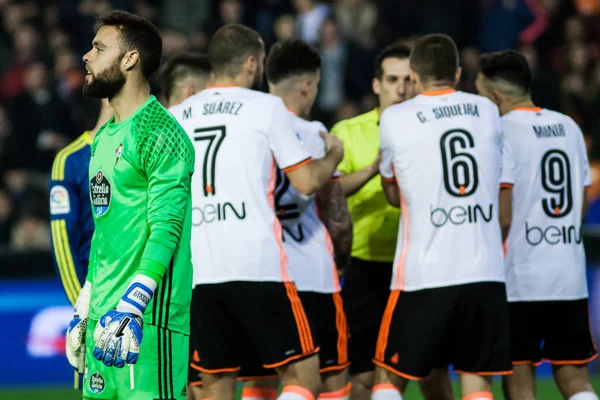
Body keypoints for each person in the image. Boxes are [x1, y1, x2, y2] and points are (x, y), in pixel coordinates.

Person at [169, 24, 344, 400]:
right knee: (303, 375)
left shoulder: (178, 115)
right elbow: (306, 182)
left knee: (216, 384)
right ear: (251, 63)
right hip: (257, 265)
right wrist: (333, 155)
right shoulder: (266, 107)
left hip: (199, 271)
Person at [371, 34, 512, 400]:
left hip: (424, 274)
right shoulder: (487, 111)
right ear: (459, 72)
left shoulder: (395, 118)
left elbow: (392, 191)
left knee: (389, 378)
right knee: (477, 381)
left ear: (414, 76)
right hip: (485, 272)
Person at [64, 10, 195, 400]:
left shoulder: (162, 132)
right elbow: (104, 235)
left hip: (147, 324)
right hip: (105, 323)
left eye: (99, 48)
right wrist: (85, 307)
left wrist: (133, 304)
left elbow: (166, 227)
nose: (87, 56)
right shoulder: (103, 138)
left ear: (130, 59)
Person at [330, 43, 452, 400]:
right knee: (364, 376)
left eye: (409, 80)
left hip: (421, 263)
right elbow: (330, 190)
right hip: (365, 266)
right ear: (375, 84)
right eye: (392, 79)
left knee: (432, 374)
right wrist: (373, 169)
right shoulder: (348, 131)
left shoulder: (432, 128)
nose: (402, 88)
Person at [476, 50, 599, 400]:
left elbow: (503, 214)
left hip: (519, 279)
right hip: (568, 277)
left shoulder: (499, 132)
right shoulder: (569, 127)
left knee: (519, 382)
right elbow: (581, 202)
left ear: (495, 96)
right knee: (575, 380)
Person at [240, 38, 353, 400]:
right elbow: (337, 215)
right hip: (312, 277)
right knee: (332, 381)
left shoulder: (247, 129)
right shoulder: (314, 133)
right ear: (307, 84)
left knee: (260, 382)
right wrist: (343, 258)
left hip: (262, 277)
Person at [50, 98, 112, 307]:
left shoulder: (143, 151)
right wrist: (82, 307)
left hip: (146, 295)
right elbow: (63, 242)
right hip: (98, 297)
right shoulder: (71, 159)